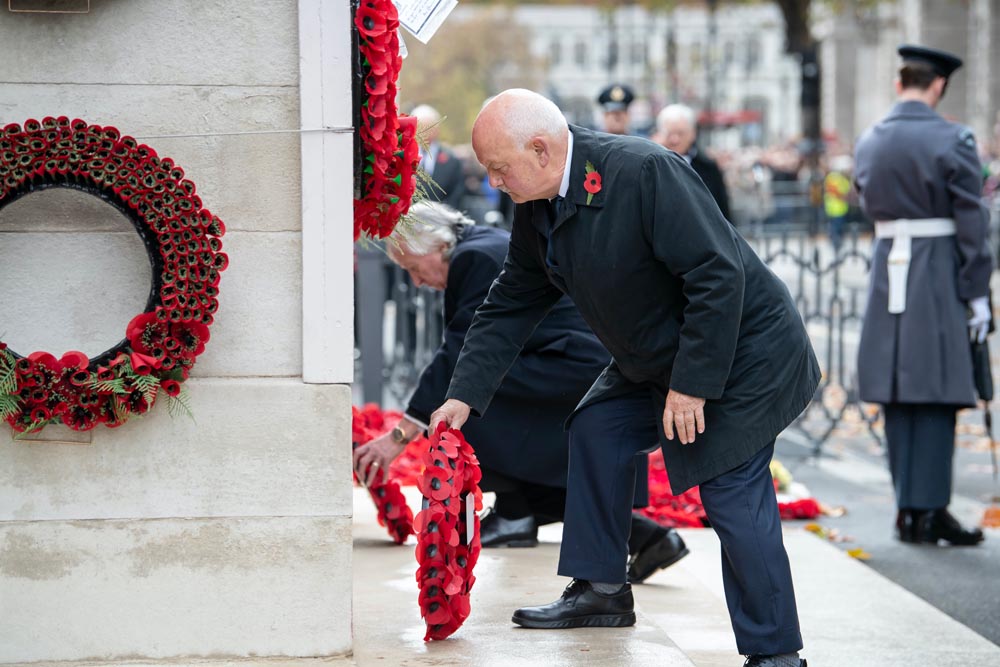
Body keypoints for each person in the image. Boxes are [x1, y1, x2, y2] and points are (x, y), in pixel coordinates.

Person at [431, 89, 817, 667]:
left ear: (540, 149)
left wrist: (692, 384)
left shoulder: (644, 172)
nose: (493, 181)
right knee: (599, 427)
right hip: (656, 355)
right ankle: (602, 590)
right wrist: (462, 394)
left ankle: (776, 652)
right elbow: (511, 299)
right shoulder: (536, 200)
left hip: (740, 351)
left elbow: (717, 275)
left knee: (731, 492)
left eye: (499, 168)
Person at [352, 202, 689, 580]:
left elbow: (462, 352)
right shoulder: (476, 248)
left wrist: (399, 436)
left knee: (465, 399)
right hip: (560, 362)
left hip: (570, 365)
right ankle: (642, 536)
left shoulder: (475, 258)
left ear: (438, 246)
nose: (416, 282)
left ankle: (516, 514)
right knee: (527, 474)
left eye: (414, 268)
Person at [853, 44, 992, 547]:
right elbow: (972, 220)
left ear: (899, 83)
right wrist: (977, 290)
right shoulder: (954, 137)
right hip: (935, 268)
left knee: (897, 392)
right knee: (934, 391)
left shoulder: (870, 138)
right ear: (938, 85)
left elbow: (865, 200)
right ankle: (931, 509)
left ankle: (907, 509)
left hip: (889, 266)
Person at [654, 103, 732, 222]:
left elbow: (723, 212)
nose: (675, 139)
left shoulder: (709, 168)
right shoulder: (651, 167)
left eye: (681, 133)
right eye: (670, 133)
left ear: (693, 134)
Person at [410, 105, 467, 211]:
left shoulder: (451, 160)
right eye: (421, 127)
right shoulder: (402, 156)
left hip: (441, 216)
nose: (424, 132)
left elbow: (456, 195)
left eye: (429, 127)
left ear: (437, 129)